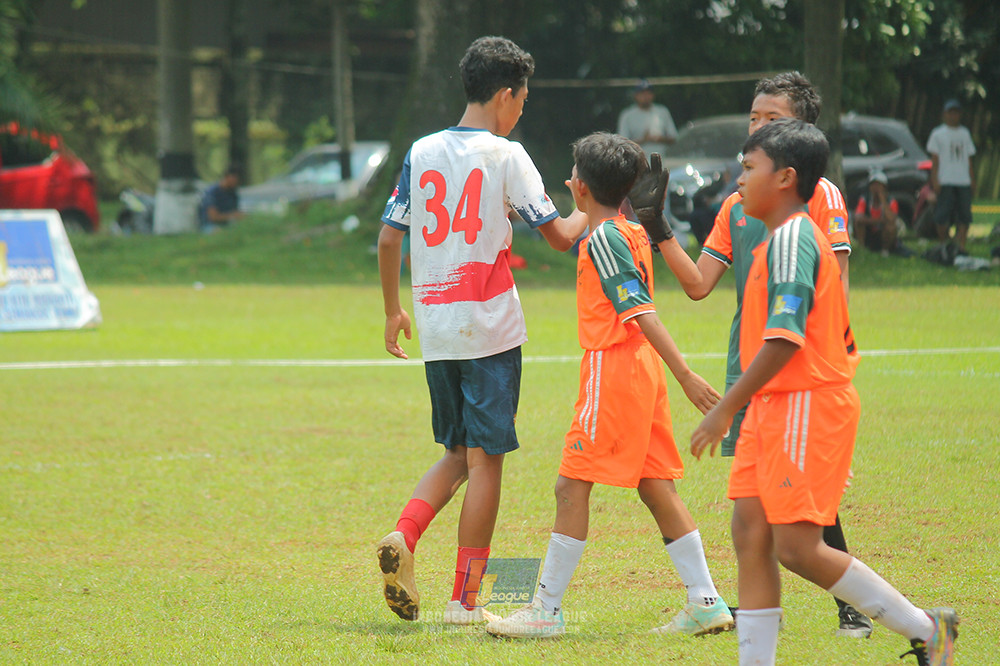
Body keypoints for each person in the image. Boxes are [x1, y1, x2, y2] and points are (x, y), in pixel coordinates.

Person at [688, 117, 958, 666]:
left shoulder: (791, 239)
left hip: (805, 401)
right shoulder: (770, 241)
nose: (737, 181)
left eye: (748, 168)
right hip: (774, 405)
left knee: (797, 547)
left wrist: (723, 409)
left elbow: (785, 340)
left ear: (786, 178)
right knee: (749, 530)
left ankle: (928, 630)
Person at [630, 71, 871, 638]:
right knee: (752, 509)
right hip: (750, 364)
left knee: (796, 503)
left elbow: (830, 287)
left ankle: (855, 609)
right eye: (754, 116)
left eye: (771, 118)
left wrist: (824, 381)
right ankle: (760, 613)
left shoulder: (819, 197)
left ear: (799, 131)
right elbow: (697, 284)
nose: (756, 126)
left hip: (800, 370)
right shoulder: (739, 203)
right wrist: (657, 222)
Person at [485, 132, 734, 639]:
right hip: (641, 371)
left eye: (573, 173)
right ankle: (705, 599)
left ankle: (544, 610)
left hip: (614, 370)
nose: (570, 179)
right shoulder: (632, 230)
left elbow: (639, 311)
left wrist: (685, 373)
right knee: (654, 485)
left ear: (579, 188)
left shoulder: (602, 239)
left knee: (570, 485)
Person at [375, 36, 588, 626]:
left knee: (455, 452)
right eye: (523, 98)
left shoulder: (421, 151)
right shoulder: (506, 155)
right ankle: (465, 602)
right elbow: (560, 234)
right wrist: (597, 204)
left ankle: (404, 533)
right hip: (490, 329)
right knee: (486, 462)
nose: (522, 109)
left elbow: (390, 236)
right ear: (505, 94)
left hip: (439, 329)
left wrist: (395, 310)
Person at [927, 99, 976, 255]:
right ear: (945, 114)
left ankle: (961, 246)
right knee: (942, 215)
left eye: (956, 112)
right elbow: (934, 160)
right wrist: (935, 179)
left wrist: (972, 179)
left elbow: (969, 159)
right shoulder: (938, 134)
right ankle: (944, 243)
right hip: (946, 179)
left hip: (963, 180)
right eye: (950, 112)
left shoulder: (965, 133)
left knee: (965, 216)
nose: (953, 116)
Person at [616, 79, 678, 158]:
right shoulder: (627, 115)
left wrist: (660, 139)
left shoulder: (662, 111)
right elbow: (622, 143)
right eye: (642, 94)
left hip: (661, 160)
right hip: (636, 161)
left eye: (648, 93)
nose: (646, 97)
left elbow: (674, 138)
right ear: (636, 95)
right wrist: (643, 140)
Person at [853, 169, 903, 256]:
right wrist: (880, 221)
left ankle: (885, 250)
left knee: (891, 227)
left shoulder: (891, 201)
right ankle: (862, 248)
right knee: (858, 224)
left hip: (882, 233)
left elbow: (891, 219)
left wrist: (882, 199)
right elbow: (858, 217)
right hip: (869, 232)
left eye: (879, 185)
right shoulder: (865, 199)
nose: (876, 188)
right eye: (873, 185)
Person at [198, 165, 245, 233]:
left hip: (227, 225)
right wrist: (232, 216)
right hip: (209, 226)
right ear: (229, 177)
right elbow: (213, 217)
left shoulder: (233, 193)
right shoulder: (212, 192)